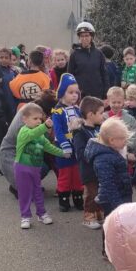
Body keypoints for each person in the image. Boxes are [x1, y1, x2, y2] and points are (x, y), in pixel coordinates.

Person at [14, 104, 69, 230]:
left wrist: (62, 153)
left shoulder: (40, 134)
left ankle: (41, 213)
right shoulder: (24, 132)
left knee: (38, 191)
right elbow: (32, 135)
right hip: (22, 167)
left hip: (35, 168)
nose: (39, 121)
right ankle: (25, 216)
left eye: (40, 119)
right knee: (24, 193)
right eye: (35, 119)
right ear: (24, 119)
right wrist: (45, 126)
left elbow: (48, 146)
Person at [0, 90, 56, 195]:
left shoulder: (31, 108)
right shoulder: (29, 119)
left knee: (46, 160)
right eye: (48, 114)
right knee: (42, 165)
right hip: (10, 157)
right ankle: (20, 188)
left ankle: (25, 185)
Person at [85, 117, 132, 218]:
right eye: (124, 138)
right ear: (111, 140)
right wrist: (119, 207)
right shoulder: (103, 159)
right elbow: (108, 185)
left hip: (120, 195)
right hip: (113, 201)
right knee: (113, 225)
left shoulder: (113, 152)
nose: (126, 141)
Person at [50, 73, 84, 212]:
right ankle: (63, 199)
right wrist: (64, 144)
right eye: (71, 92)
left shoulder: (78, 110)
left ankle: (77, 197)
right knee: (65, 174)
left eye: (76, 92)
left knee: (77, 174)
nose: (74, 95)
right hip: (64, 146)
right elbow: (58, 130)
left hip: (77, 146)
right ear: (63, 93)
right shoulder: (57, 111)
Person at [72, 96, 105, 230]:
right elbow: (80, 153)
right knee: (92, 193)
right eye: (101, 113)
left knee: (100, 192)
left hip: (100, 168)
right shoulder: (80, 132)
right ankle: (88, 216)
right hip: (88, 170)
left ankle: (98, 214)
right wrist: (97, 150)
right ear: (91, 115)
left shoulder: (99, 128)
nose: (103, 116)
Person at [68, 22, 108, 99]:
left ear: (91, 37)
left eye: (87, 36)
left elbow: (104, 74)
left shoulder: (99, 54)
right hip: (80, 95)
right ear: (79, 37)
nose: (84, 38)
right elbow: (70, 76)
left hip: (97, 94)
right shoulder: (74, 55)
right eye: (82, 36)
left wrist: (105, 93)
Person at [105, 86, 136, 161]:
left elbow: (134, 137)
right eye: (114, 102)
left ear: (123, 101)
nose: (116, 105)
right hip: (107, 153)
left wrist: (123, 147)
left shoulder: (130, 119)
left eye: (119, 102)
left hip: (125, 152)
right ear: (108, 101)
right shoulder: (103, 118)